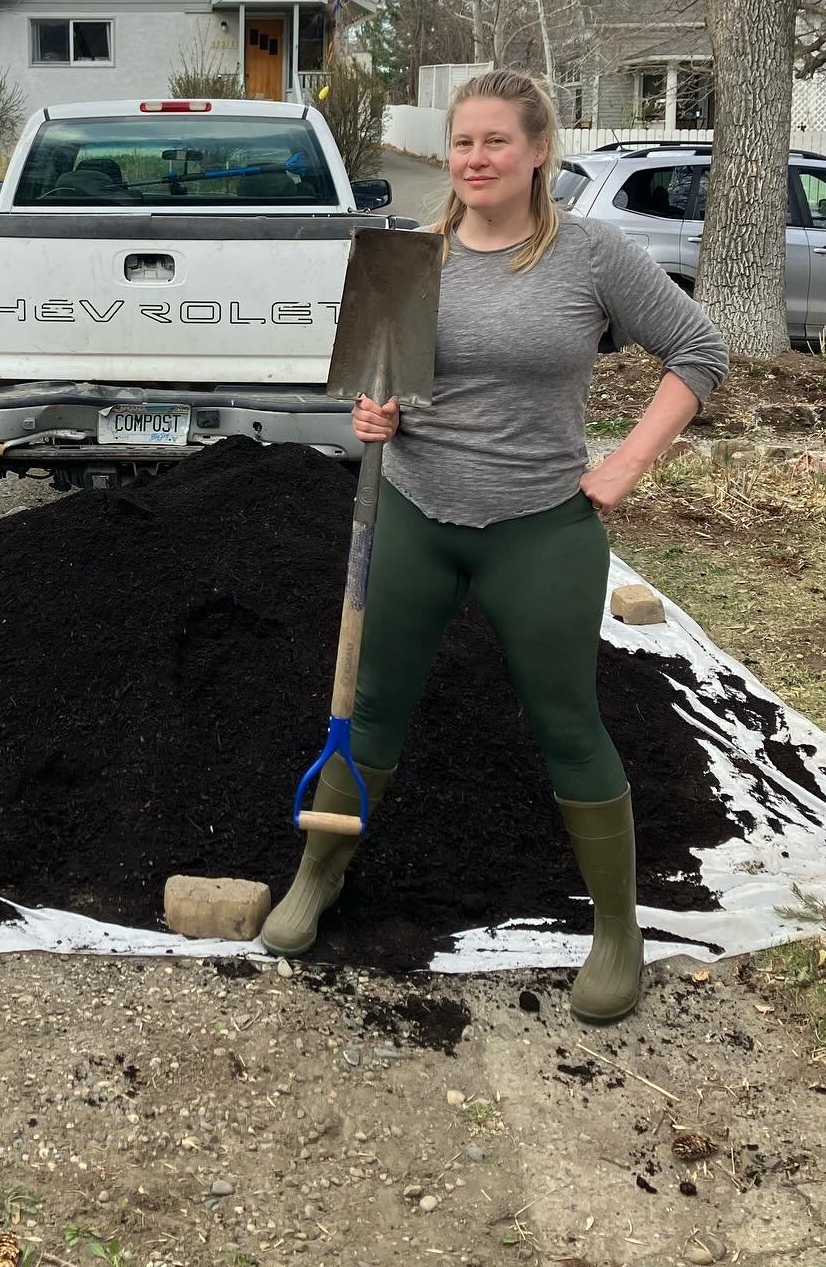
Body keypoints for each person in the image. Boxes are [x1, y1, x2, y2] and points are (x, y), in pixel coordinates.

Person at [261, 69, 729, 1023]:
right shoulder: (407, 258)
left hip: (541, 528)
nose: (474, 159)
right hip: (415, 517)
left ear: (536, 152)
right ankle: (318, 874)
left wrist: (623, 466)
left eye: (495, 143)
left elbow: (699, 351)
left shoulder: (592, 254)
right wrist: (373, 412)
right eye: (462, 143)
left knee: (567, 721)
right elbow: (371, 388)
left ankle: (616, 928)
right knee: (371, 702)